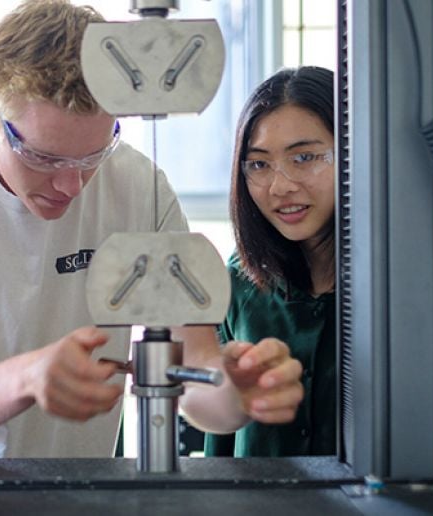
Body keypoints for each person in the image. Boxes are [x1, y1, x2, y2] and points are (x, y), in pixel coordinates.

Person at [0, 0, 305, 459]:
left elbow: (194, 369)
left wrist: (236, 393)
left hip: (83, 492)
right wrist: (22, 379)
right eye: (44, 158)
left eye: (92, 156)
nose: (71, 185)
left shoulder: (138, 187)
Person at [181, 66, 337, 457]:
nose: (280, 186)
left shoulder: (400, 286)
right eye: (259, 164)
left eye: (304, 157)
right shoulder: (237, 284)